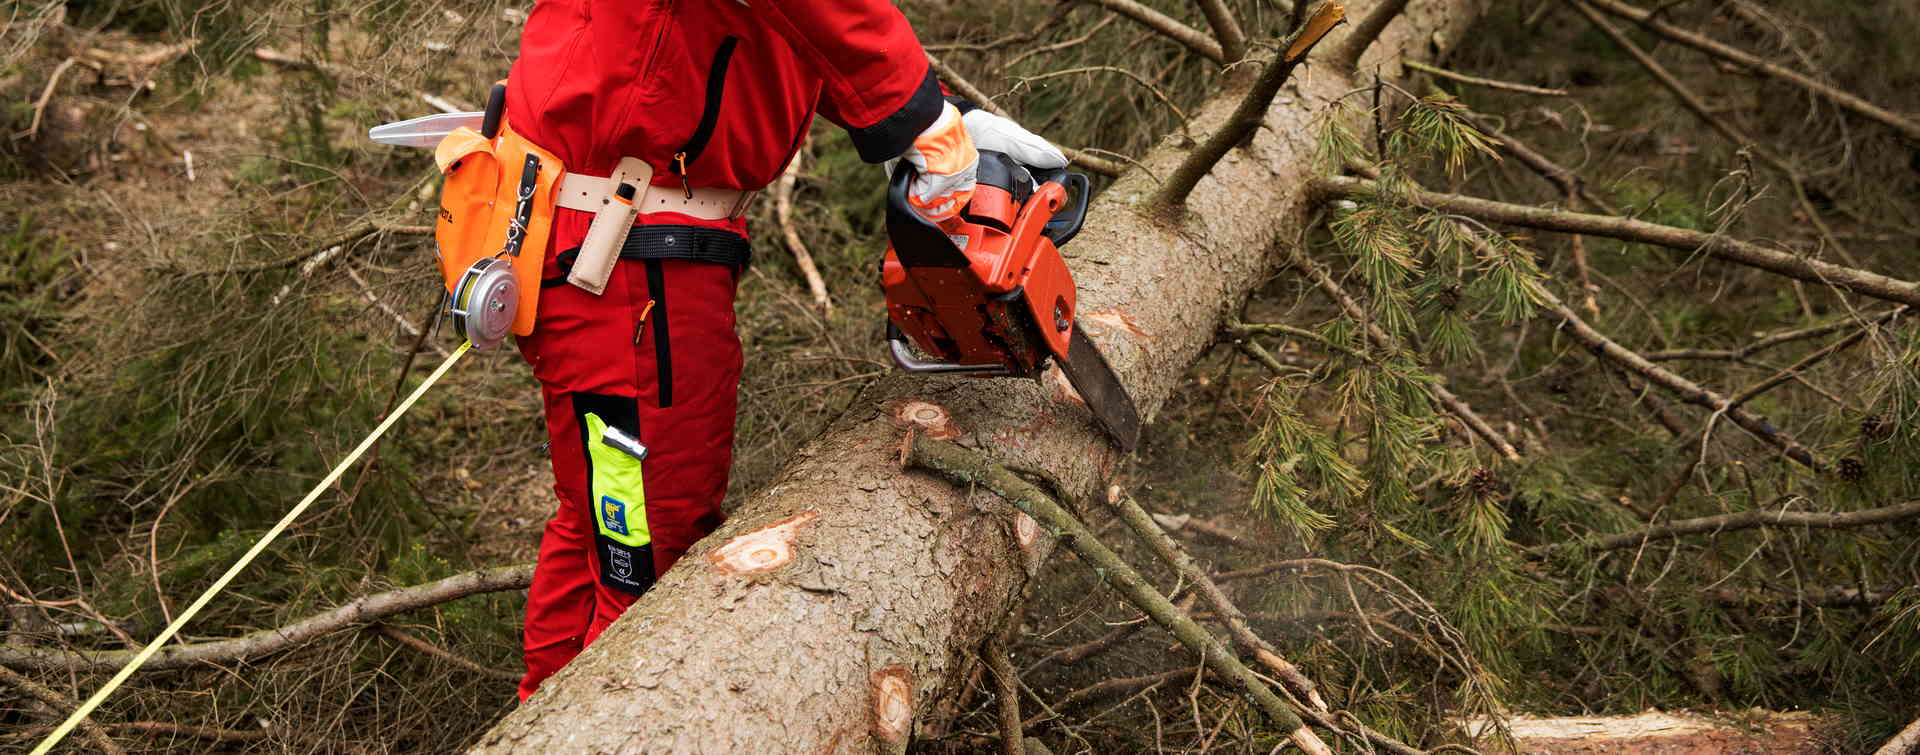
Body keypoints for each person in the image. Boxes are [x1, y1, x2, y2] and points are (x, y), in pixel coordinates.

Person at [503, 0, 1067, 700]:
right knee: (649, 558)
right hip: (623, 257)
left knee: (599, 518)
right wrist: (921, 119)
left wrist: (931, 110)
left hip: (606, 236)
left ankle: (538, 717)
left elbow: (784, 30)